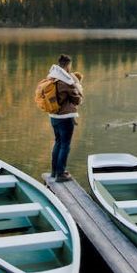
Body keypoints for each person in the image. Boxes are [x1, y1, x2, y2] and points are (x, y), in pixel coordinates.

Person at [47, 54, 83, 182]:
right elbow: (77, 99)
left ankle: (54, 171)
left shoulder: (52, 77)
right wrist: (79, 89)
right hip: (65, 117)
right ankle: (61, 173)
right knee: (65, 145)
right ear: (68, 65)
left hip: (53, 116)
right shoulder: (66, 81)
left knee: (58, 142)